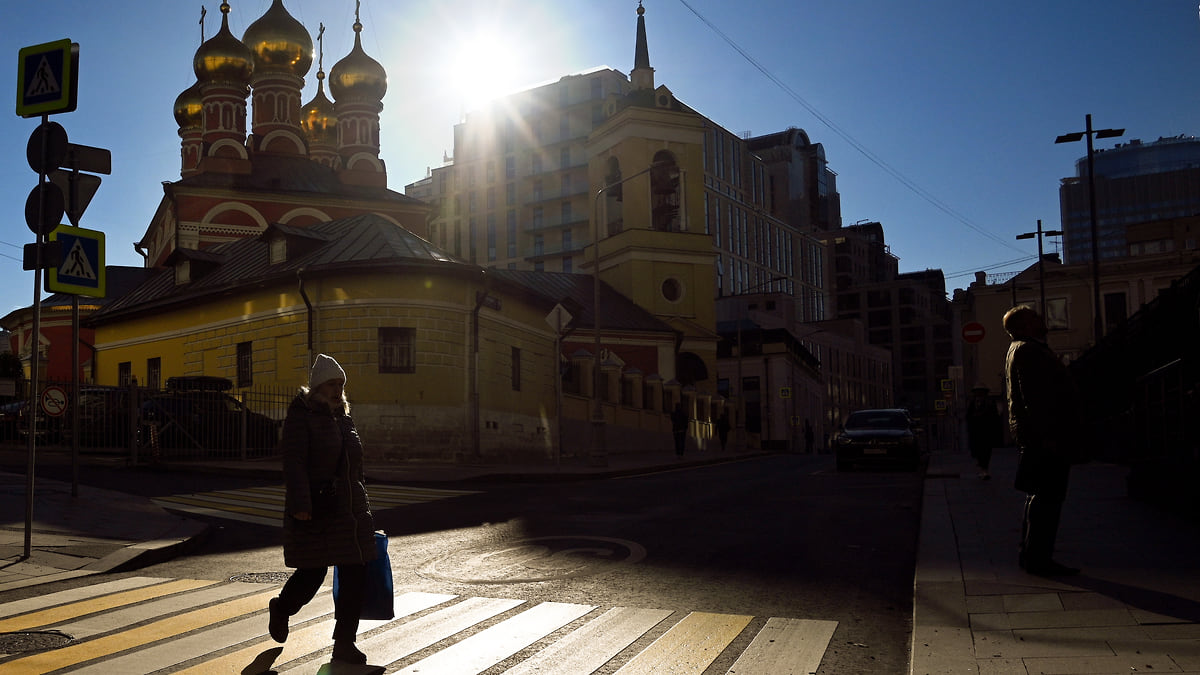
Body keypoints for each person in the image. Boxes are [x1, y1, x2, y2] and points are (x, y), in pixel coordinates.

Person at [268, 354, 377, 664]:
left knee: (355, 571)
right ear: (317, 386)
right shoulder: (301, 415)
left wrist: (361, 503)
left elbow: (354, 465)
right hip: (316, 507)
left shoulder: (343, 416)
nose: (336, 390)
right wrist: (302, 504)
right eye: (331, 384)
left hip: (348, 510)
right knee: (313, 571)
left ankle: (344, 643)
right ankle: (283, 607)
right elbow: (294, 462)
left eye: (340, 384)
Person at [1004, 306, 1084, 577]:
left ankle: (1032, 555)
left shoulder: (1023, 349)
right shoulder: (1027, 350)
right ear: (1024, 325)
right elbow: (1035, 398)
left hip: (1041, 435)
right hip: (1047, 436)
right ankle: (1039, 558)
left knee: (1039, 495)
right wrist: (1048, 435)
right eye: (1035, 317)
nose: (1042, 319)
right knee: (1047, 498)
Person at [966, 384, 1002, 479]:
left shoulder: (990, 403)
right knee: (979, 452)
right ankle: (982, 469)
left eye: (981, 393)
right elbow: (968, 417)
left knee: (985, 452)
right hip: (977, 433)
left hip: (986, 432)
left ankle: (984, 470)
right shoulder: (972, 403)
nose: (979, 395)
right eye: (977, 393)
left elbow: (995, 417)